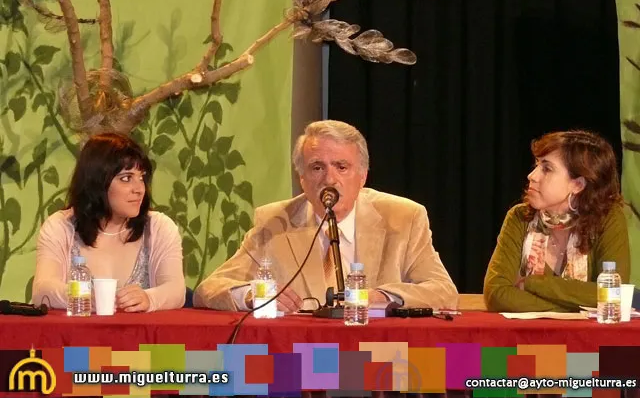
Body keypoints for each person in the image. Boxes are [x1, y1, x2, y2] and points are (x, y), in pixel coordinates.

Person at [194, 120, 458, 312]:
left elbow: (443, 291)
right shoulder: (274, 223)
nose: (329, 179)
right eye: (317, 167)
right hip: (300, 356)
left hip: (379, 354)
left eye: (341, 167)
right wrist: (255, 295)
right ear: (302, 178)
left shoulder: (403, 218)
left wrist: (381, 297)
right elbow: (208, 290)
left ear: (363, 176)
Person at [32, 132, 185, 312]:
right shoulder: (60, 226)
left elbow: (176, 290)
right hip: (79, 331)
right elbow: (42, 290)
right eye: (126, 178)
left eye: (141, 178)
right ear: (97, 182)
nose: (139, 189)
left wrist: (149, 298)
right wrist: (84, 297)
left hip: (140, 331)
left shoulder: (159, 227)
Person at [484, 130, 630, 312]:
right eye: (537, 165)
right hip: (526, 332)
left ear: (577, 185)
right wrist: (577, 305)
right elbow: (496, 295)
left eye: (547, 169)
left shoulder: (607, 219)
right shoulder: (520, 217)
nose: (532, 176)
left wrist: (532, 283)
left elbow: (612, 294)